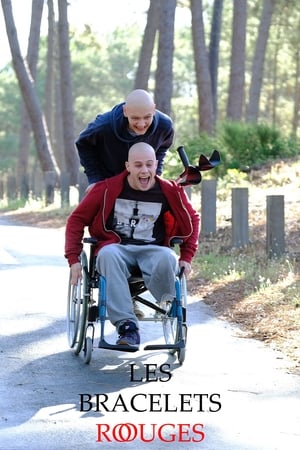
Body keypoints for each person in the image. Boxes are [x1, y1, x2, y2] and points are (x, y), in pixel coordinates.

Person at [65, 142, 200, 347]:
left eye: (148, 165)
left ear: (156, 165)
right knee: (107, 254)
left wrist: (186, 257)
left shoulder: (170, 191)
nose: (144, 170)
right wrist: (74, 259)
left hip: (153, 250)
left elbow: (193, 219)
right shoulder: (106, 189)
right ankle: (127, 327)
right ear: (128, 166)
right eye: (138, 165)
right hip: (118, 249)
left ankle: (166, 301)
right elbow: (76, 220)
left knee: (168, 257)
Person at [75, 89, 174, 189]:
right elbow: (83, 143)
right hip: (108, 181)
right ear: (125, 111)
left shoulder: (164, 126)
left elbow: (162, 147)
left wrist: (156, 174)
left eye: (147, 117)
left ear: (153, 109)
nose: (141, 124)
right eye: (135, 118)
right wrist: (95, 179)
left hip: (142, 182)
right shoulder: (104, 125)